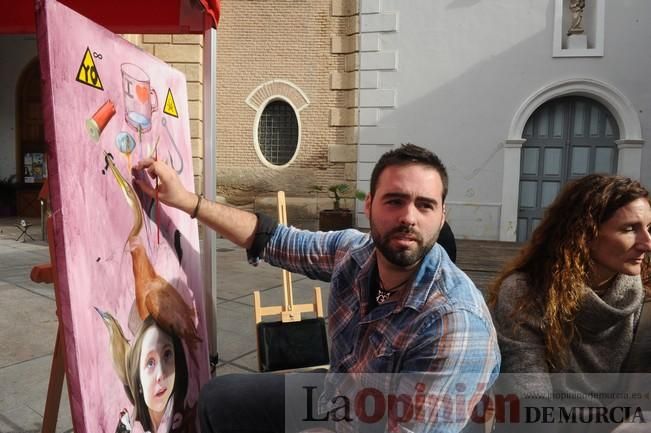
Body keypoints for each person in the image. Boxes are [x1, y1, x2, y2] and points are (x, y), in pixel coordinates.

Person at [134, 143, 500, 432]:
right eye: (395, 201)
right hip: (340, 399)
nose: (408, 217)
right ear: (369, 205)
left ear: (441, 215)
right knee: (217, 399)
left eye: (425, 205)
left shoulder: (454, 323)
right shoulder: (355, 254)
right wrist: (187, 201)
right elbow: (273, 239)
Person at [488, 174, 651, 398]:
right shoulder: (526, 292)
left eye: (649, 228)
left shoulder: (646, 299)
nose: (647, 243)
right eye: (630, 229)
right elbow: (528, 390)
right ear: (585, 234)